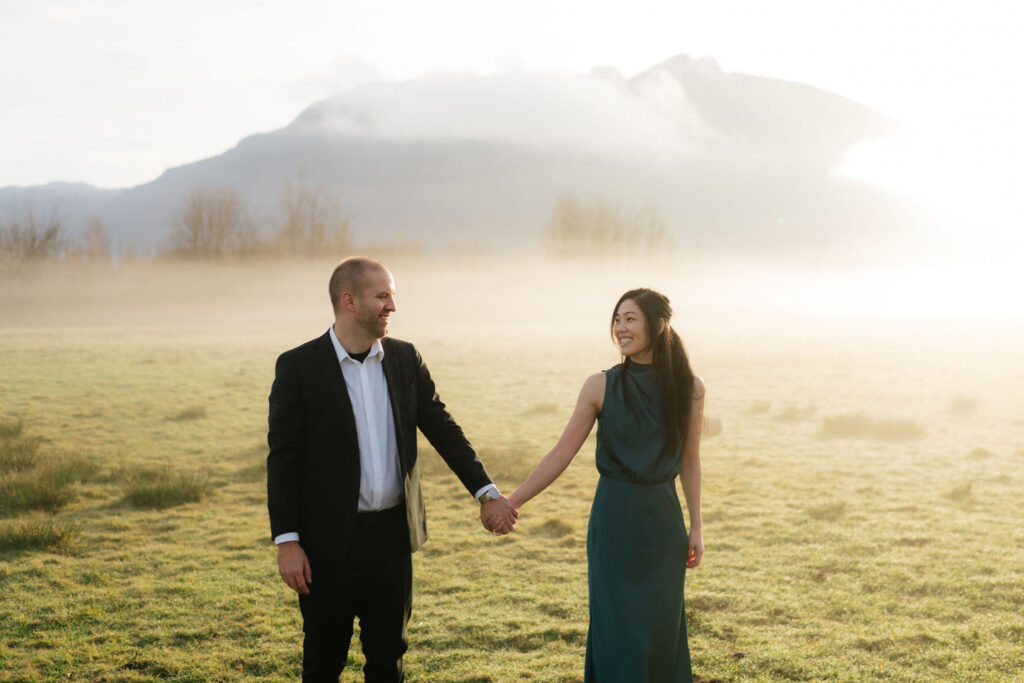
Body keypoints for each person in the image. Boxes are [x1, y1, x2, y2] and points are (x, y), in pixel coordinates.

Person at [267, 256, 518, 682]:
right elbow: (283, 458)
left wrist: (487, 493)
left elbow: (441, 427)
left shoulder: (405, 358)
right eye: (383, 296)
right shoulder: (298, 366)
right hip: (326, 546)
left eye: (393, 296)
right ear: (349, 300)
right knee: (323, 660)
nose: (392, 307)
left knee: (389, 657)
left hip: (392, 540)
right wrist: (287, 541)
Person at [506, 288, 705, 682]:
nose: (621, 328)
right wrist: (513, 501)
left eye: (630, 318)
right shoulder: (600, 385)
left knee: (659, 633)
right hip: (614, 521)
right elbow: (561, 453)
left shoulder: (690, 388)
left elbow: (690, 460)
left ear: (658, 324)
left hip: (663, 525)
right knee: (616, 630)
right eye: (617, 320)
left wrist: (696, 525)